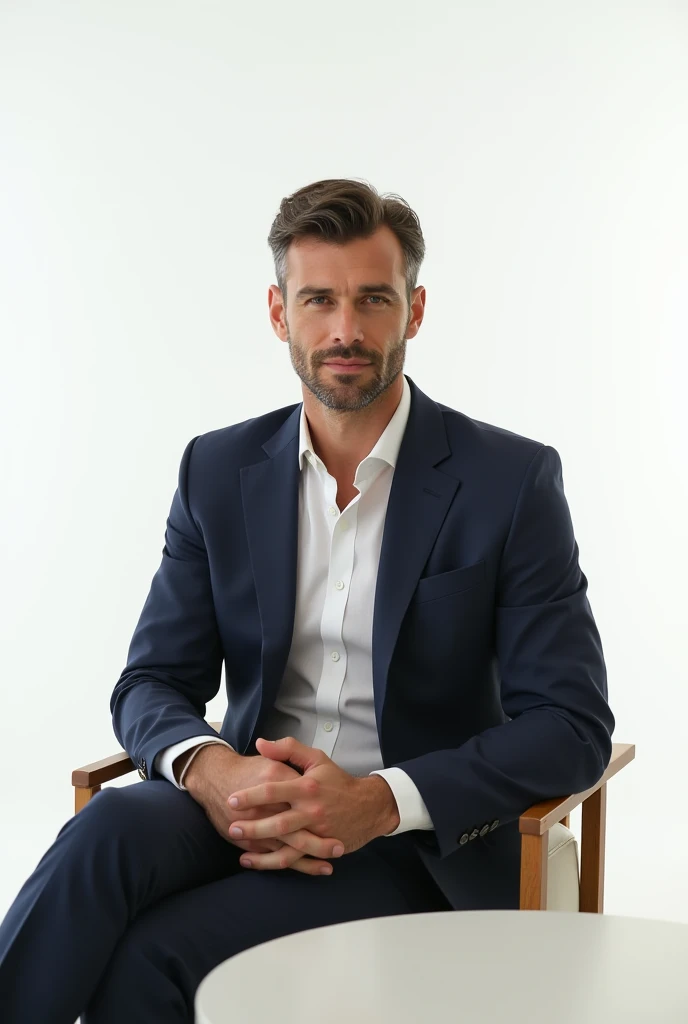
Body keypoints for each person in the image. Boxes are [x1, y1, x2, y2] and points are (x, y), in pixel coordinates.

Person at [0, 177, 615, 1022]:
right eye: (319, 299)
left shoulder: (509, 482)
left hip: (405, 845)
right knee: (104, 834)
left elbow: (573, 725)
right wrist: (212, 771)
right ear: (278, 311)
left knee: (149, 959)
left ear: (416, 309)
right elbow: (149, 682)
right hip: (241, 801)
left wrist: (380, 799)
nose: (346, 330)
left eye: (373, 299)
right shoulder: (216, 471)